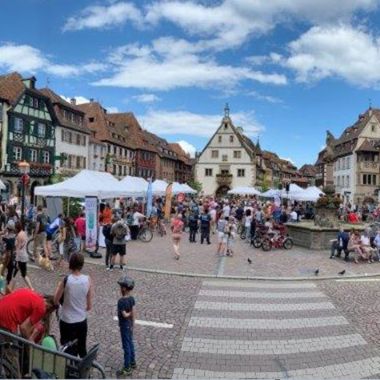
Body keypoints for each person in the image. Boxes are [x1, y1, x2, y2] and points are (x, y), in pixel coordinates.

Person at [54, 253, 93, 358]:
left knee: (67, 349)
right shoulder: (88, 279)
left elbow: (55, 300)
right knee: (82, 347)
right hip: (81, 320)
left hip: (67, 320)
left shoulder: (66, 280)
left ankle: (69, 370)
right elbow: (89, 306)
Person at [116, 276, 136, 377]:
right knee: (131, 343)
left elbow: (124, 314)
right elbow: (134, 312)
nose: (120, 289)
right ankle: (133, 362)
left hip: (124, 326)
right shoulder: (132, 299)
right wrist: (133, 323)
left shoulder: (121, 301)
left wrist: (129, 313)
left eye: (120, 287)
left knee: (126, 346)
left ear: (124, 288)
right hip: (129, 325)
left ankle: (127, 367)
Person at [10, 221, 33, 290]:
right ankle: (10, 288)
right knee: (17, 273)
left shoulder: (19, 236)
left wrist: (16, 260)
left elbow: (18, 249)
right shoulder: (23, 233)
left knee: (22, 274)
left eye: (15, 228)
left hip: (21, 257)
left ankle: (31, 288)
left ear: (17, 228)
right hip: (24, 255)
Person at [1, 220, 16, 293]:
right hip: (13, 259)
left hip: (7, 259)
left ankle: (3, 291)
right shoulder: (14, 237)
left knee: (2, 274)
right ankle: (6, 291)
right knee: (9, 276)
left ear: (7, 228)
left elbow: (8, 254)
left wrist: (5, 264)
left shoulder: (6, 239)